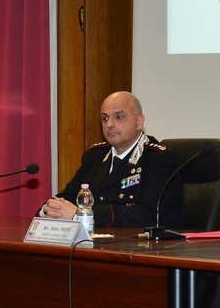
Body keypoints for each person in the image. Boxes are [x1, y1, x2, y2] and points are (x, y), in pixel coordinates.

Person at [42, 91, 183, 228]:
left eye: (119, 117)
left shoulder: (159, 158)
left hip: (145, 247)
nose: (109, 124)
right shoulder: (94, 156)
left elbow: (148, 215)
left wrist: (81, 214)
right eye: (104, 118)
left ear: (139, 122)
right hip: (99, 242)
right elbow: (69, 196)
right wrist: (52, 208)